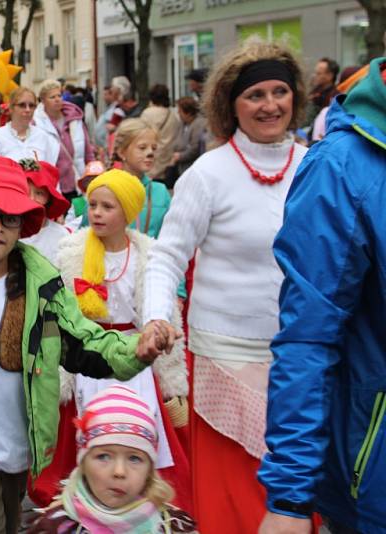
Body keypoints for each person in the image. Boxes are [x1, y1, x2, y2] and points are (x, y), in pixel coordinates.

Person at [0, 155, 170, 534]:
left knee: (8, 522)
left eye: (10, 218)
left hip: (21, 442)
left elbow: (81, 340)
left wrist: (133, 351)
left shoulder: (42, 284)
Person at [141, 39, 308, 533]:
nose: (270, 104)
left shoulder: (317, 165)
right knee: (236, 500)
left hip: (302, 358)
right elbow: (166, 256)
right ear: (230, 105)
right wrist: (156, 315)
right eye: (255, 94)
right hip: (225, 358)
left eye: (280, 91)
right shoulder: (208, 174)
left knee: (295, 495)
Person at [257, 58, 386, 534]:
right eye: (256, 95)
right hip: (373, 483)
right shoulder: (342, 166)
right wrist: (290, 497)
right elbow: (308, 339)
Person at [55, 169, 191, 511]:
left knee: (137, 433)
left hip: (134, 359)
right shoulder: (71, 251)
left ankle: (139, 501)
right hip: (91, 358)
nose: (97, 213)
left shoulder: (148, 255)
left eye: (107, 206)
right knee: (90, 431)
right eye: (93, 205)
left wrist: (169, 371)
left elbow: (162, 312)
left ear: (127, 211)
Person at [27, 385, 196, 533]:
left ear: (150, 471)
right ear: (83, 463)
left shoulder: (172, 527)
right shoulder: (55, 527)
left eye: (134, 459)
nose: (119, 471)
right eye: (104, 456)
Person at [33, 79, 95, 200]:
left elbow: (88, 151)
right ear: (43, 100)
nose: (57, 99)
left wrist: (92, 174)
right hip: (54, 186)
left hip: (77, 183)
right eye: (52, 97)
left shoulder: (75, 120)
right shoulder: (36, 123)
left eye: (59, 95)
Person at [112, 119, 171, 239]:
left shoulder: (161, 192)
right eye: (142, 147)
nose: (150, 153)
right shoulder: (105, 188)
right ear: (122, 152)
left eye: (154, 148)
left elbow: (170, 235)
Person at [0, 87, 58, 164]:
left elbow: (49, 171)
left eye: (31, 105)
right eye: (22, 105)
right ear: (11, 108)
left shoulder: (43, 136)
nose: (28, 110)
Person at [18, 158, 70, 261]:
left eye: (39, 193)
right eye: (26, 191)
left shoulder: (61, 236)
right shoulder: (8, 232)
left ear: (49, 197)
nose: (32, 199)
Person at [140, 84, 182, 181]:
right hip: (168, 159)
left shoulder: (147, 113)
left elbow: (141, 134)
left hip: (152, 158)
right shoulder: (173, 114)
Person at [169, 97, 207, 184]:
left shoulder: (199, 124)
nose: (178, 113)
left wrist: (180, 156)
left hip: (191, 167)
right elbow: (177, 141)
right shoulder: (183, 124)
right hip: (181, 168)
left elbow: (195, 148)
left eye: (180, 111)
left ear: (188, 112)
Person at [303, 57, 339, 130]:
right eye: (315, 72)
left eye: (318, 73)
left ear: (330, 76)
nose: (314, 76)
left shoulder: (335, 97)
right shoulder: (313, 92)